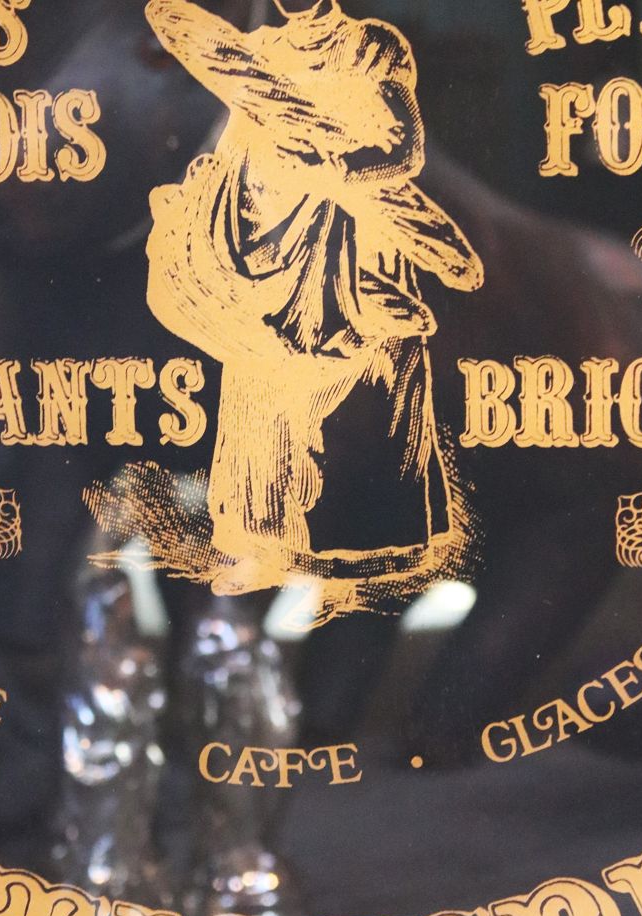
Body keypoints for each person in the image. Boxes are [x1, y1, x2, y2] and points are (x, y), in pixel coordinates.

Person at [145, 0, 484, 602]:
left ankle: (377, 546)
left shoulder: (373, 45)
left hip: (355, 249)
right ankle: (259, 546)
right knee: (260, 389)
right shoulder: (263, 53)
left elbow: (405, 149)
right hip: (274, 247)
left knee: (374, 378)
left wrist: (337, 168)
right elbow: (236, 144)